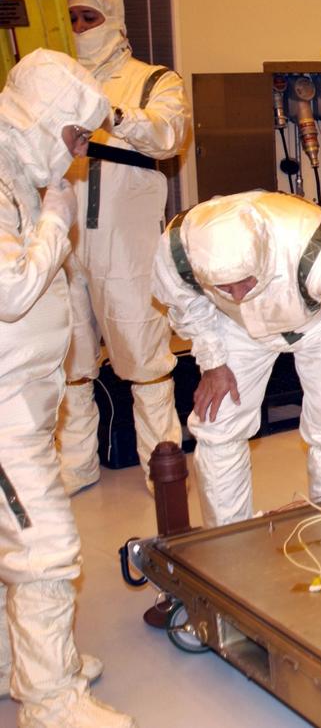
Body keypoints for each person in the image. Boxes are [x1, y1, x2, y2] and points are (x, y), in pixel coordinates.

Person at [0, 49, 135, 727]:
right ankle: (50, 704)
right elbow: (13, 288)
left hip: (21, 397)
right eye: (75, 137)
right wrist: (57, 217)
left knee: (13, 541)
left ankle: (20, 664)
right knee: (44, 542)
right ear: (45, 118)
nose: (79, 154)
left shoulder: (19, 171)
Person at [152, 191, 321, 527]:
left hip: (320, 324)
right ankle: (226, 540)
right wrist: (213, 362)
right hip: (237, 328)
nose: (237, 294)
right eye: (224, 288)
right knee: (217, 429)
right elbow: (184, 304)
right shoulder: (179, 248)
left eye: (245, 282)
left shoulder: (313, 244)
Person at [57, 0, 192, 495]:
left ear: (113, 20)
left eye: (89, 18)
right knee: (71, 360)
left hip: (127, 246)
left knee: (144, 356)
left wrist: (112, 117)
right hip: (65, 244)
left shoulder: (153, 80)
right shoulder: (57, 79)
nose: (80, 29)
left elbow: (169, 134)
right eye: (71, 19)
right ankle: (77, 463)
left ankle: (163, 463)